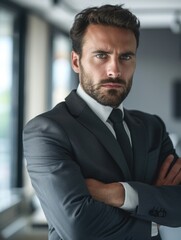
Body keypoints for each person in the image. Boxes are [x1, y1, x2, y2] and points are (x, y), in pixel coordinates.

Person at [23, 4, 181, 240]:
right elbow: (79, 227)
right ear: (76, 62)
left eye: (125, 56)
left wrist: (116, 193)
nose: (114, 70)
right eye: (101, 55)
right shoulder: (47, 131)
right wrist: (152, 214)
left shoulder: (152, 128)